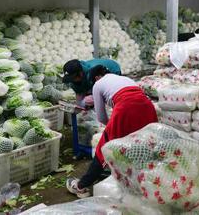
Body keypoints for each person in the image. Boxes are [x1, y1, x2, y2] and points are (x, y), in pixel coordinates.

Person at [66, 65, 158, 198]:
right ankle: (151, 182)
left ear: (96, 77)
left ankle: (81, 186)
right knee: (145, 143)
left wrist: (110, 127)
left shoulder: (98, 84)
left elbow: (101, 117)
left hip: (126, 108)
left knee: (103, 148)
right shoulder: (124, 79)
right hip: (147, 107)